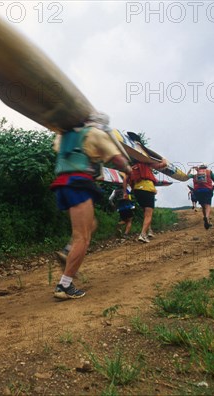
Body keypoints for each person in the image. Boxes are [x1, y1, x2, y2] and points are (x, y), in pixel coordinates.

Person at [50, 113, 131, 299]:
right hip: (79, 184)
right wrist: (128, 167)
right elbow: (117, 159)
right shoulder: (96, 134)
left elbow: (57, 149)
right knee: (83, 238)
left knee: (91, 224)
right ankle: (64, 286)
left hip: (62, 185)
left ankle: (67, 251)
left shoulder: (63, 135)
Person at [129, 159, 168, 243]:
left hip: (137, 191)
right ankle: (143, 235)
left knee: (145, 212)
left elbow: (129, 181)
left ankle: (149, 231)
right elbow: (164, 164)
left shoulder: (132, 168)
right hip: (147, 189)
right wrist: (162, 159)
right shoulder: (147, 164)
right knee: (148, 214)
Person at [188, 164, 214, 229]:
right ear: (206, 167)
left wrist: (191, 169)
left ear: (199, 167)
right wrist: (213, 187)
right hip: (207, 190)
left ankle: (207, 220)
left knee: (203, 206)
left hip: (198, 192)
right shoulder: (209, 172)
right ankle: (207, 217)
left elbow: (186, 176)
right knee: (208, 205)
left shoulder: (195, 173)